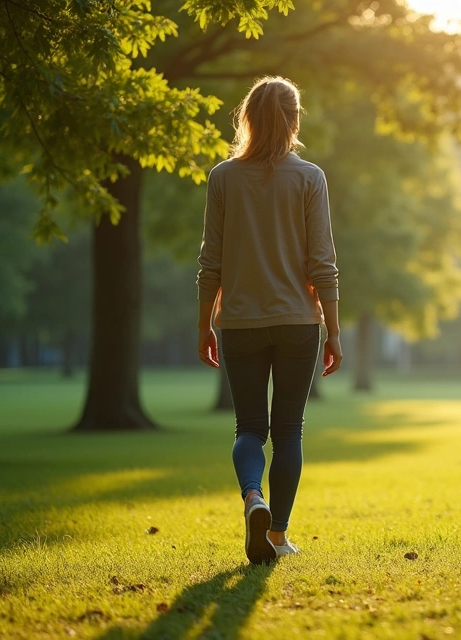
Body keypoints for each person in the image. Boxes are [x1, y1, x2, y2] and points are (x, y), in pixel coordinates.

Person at [195, 76, 343, 565]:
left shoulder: (222, 178)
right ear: (295, 121)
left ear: (248, 120)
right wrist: (335, 332)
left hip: (239, 323)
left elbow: (209, 262)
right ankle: (277, 535)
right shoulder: (310, 178)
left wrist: (204, 326)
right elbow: (322, 263)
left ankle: (252, 497)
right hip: (299, 323)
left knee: (250, 428)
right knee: (290, 432)